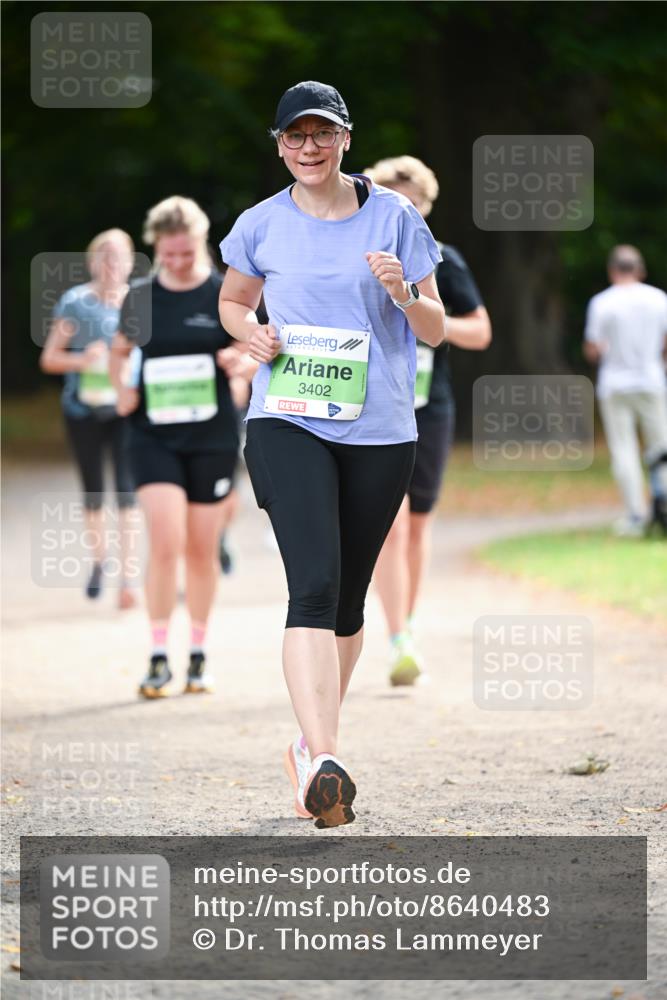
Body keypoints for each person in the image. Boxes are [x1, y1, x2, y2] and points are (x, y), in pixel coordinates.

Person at [219, 81, 446, 828]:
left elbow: (437, 328)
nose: (308, 147)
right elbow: (233, 299)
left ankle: (309, 751)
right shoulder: (260, 223)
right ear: (278, 142)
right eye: (294, 136)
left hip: (381, 429)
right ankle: (323, 757)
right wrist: (249, 333)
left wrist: (405, 294)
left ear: (346, 138)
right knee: (312, 584)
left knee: (347, 603)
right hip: (287, 420)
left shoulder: (394, 216)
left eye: (322, 134)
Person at [110, 196, 255, 698]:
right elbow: (120, 349)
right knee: (166, 540)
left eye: (185, 254)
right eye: (167, 255)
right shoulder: (141, 297)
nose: (175, 262)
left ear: (201, 244)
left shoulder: (223, 293)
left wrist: (242, 364)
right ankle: (156, 655)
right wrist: (121, 388)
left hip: (212, 437)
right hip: (152, 436)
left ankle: (197, 653)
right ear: (156, 249)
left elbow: (253, 346)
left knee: (199, 549)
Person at [365, 156, 491, 684]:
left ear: (425, 207)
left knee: (417, 526)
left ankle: (407, 625)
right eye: (394, 199)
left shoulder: (443, 258)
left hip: (429, 404)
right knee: (390, 527)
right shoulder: (357, 254)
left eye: (413, 203)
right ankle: (398, 639)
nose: (403, 210)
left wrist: (426, 317)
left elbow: (479, 332)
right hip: (373, 404)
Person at [40, 229, 138, 609]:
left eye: (118, 257)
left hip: (125, 409)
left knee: (128, 493)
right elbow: (50, 358)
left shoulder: (139, 304)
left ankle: (129, 579)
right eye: (104, 256)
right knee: (94, 489)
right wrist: (83, 358)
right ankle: (100, 562)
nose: (111, 264)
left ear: (130, 263)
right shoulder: (75, 302)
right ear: (92, 262)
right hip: (82, 410)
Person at [584, 245, 667, 537]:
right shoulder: (659, 299)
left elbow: (593, 349)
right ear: (641, 270)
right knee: (661, 448)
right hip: (651, 381)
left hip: (615, 385)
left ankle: (635, 515)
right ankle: (664, 506)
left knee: (624, 451)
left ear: (612, 271)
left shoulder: (602, 303)